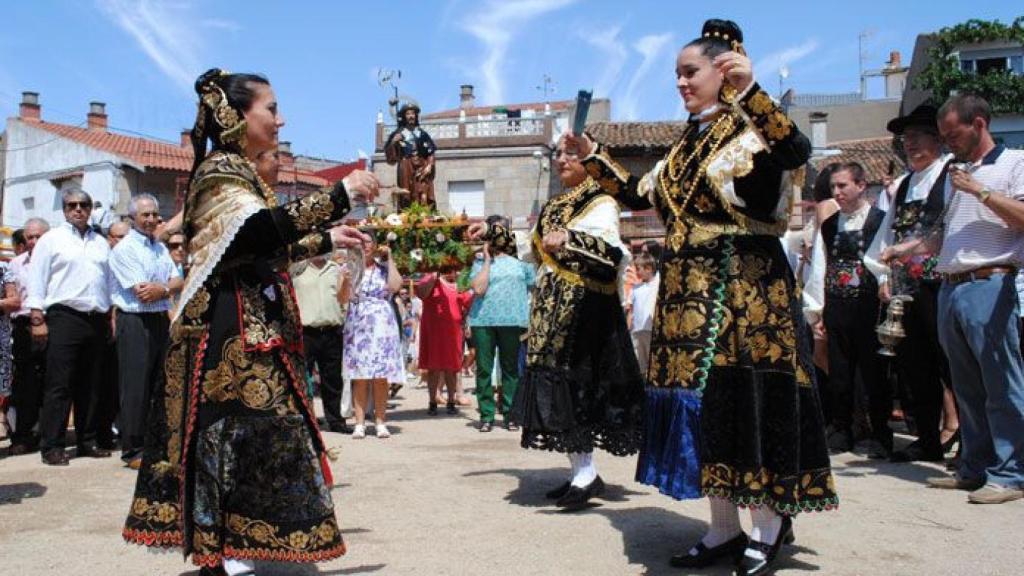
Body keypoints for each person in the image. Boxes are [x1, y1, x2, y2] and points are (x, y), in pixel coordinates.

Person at [569, 19, 835, 574]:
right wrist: (593, 153)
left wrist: (753, 92)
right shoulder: (686, 143)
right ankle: (722, 529)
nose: (681, 83)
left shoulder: (751, 129)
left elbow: (794, 150)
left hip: (744, 293)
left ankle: (767, 525)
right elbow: (640, 192)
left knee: (747, 405)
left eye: (690, 72)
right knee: (706, 412)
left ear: (722, 70)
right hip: (687, 297)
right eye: (677, 75)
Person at [122, 68, 376, 575]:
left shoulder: (237, 172)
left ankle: (244, 555)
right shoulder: (220, 172)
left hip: (250, 331)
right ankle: (235, 557)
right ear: (238, 117)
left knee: (264, 442)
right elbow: (255, 235)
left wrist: (328, 239)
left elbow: (258, 250)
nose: (281, 120)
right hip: (229, 340)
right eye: (272, 109)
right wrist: (338, 195)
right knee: (247, 440)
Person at [467, 134, 645, 511]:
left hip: (586, 315)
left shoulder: (600, 201)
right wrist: (491, 232)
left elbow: (610, 254)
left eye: (570, 154)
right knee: (561, 395)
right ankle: (582, 471)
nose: (561, 160)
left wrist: (569, 239)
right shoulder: (553, 205)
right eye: (558, 154)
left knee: (579, 391)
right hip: (552, 315)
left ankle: (586, 474)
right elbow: (529, 247)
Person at [886, 95, 1024, 505]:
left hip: (991, 282)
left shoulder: (1015, 162)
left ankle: (1011, 472)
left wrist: (980, 191)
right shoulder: (955, 173)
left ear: (979, 123)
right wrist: (906, 248)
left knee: (1001, 383)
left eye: (952, 134)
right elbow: (943, 235)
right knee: (966, 386)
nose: (947, 143)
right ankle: (974, 466)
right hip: (951, 285)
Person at [863, 104, 954, 463]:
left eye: (918, 138)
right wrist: (884, 276)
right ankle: (927, 437)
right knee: (915, 367)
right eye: (906, 140)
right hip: (906, 289)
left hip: (940, 284)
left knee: (950, 363)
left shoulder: (951, 175)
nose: (910, 145)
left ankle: (966, 436)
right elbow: (885, 239)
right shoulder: (901, 186)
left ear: (937, 139)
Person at [803, 163, 891, 457]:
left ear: (861, 185)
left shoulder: (880, 220)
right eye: (833, 188)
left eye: (843, 186)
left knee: (873, 372)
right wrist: (816, 310)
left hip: (869, 307)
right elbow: (820, 265)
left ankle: (880, 433)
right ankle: (841, 430)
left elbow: (885, 261)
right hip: (837, 305)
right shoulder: (829, 226)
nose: (837, 192)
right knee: (839, 372)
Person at [26, 187, 114, 466]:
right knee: (59, 384)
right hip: (64, 316)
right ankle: (52, 445)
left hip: (96, 317)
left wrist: (111, 316)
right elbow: (37, 279)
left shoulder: (100, 242)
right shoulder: (51, 240)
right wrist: (37, 318)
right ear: (64, 210)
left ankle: (86, 442)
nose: (78, 209)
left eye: (83, 205)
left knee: (91, 384)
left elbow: (108, 282)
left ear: (90, 209)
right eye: (72, 205)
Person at [108, 193, 183, 469]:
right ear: (133, 219)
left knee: (159, 384)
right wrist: (166, 288)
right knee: (135, 386)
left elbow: (178, 279)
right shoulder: (125, 249)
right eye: (145, 215)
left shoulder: (159, 248)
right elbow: (143, 293)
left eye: (154, 214)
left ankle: (156, 444)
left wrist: (163, 288)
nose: (151, 219)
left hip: (158, 321)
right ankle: (133, 449)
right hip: (135, 321)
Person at [468, 215, 536, 432]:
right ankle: (487, 415)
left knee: (510, 370)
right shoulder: (479, 260)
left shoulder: (522, 260)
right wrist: (487, 259)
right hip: (484, 321)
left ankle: (510, 414)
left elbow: (535, 285)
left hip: (513, 320)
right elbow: (478, 289)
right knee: (484, 370)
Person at [340, 242, 403, 439]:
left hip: (382, 323)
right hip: (358, 322)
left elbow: (395, 286)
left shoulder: (383, 269)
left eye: (367, 243)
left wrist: (389, 258)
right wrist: (345, 282)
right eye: (359, 244)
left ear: (375, 246)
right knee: (360, 376)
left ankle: (380, 421)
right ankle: (359, 423)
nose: (364, 247)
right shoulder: (348, 268)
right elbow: (342, 299)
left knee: (380, 376)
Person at [294, 254, 352, 434]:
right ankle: (303, 419)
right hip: (306, 331)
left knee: (333, 379)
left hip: (332, 330)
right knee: (302, 378)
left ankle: (335, 421)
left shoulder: (336, 269)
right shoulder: (298, 269)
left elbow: (343, 299)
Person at [7, 218, 49, 455]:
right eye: (29, 237)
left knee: (52, 381)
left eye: (38, 236)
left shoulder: (56, 262)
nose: (33, 241)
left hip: (52, 322)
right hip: (23, 325)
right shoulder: (15, 264)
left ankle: (49, 434)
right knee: (25, 383)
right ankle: (22, 434)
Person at [416, 270, 473, 415]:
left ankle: (451, 401)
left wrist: (472, 285)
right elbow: (421, 293)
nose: (452, 272)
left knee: (452, 369)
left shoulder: (459, 285)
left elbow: (469, 303)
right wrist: (434, 276)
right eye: (448, 268)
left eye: (453, 269)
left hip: (453, 333)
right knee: (433, 368)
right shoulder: (431, 278)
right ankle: (432, 402)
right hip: (433, 332)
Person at [384, 103, 436, 208]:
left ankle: (423, 214)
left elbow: (430, 151)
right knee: (406, 192)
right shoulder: (398, 133)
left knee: (423, 191)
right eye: (408, 114)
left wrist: (430, 165)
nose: (411, 116)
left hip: (421, 164)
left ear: (416, 116)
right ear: (404, 116)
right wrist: (394, 142)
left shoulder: (422, 134)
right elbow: (390, 156)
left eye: (413, 113)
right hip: (406, 165)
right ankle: (406, 214)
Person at [627, 252, 658, 377]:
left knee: (653, 361)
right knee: (640, 363)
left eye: (638, 269)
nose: (637, 273)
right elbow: (630, 310)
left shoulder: (658, 283)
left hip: (651, 329)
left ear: (648, 268)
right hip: (637, 331)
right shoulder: (635, 288)